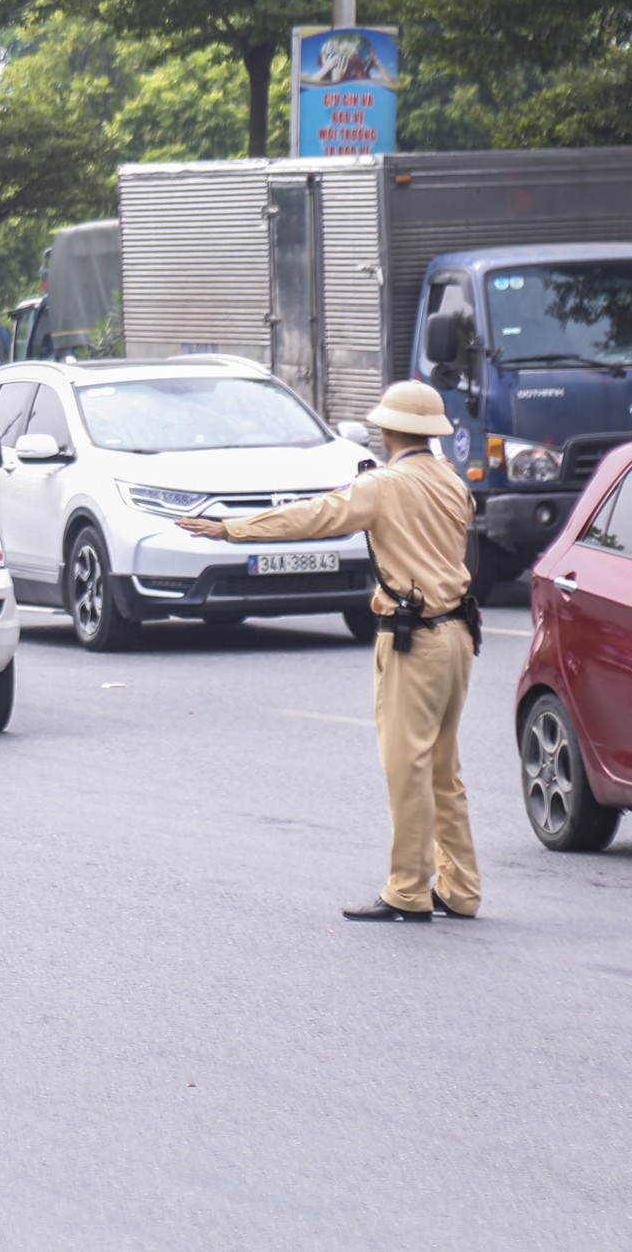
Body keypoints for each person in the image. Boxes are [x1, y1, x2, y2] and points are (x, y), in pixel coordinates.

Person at [176, 379, 481, 923]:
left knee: (405, 767)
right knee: (442, 766)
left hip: (414, 638)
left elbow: (313, 516)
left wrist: (231, 530)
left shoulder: (384, 485)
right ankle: (460, 887)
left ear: (388, 430)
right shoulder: (452, 482)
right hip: (458, 635)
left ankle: (408, 889)